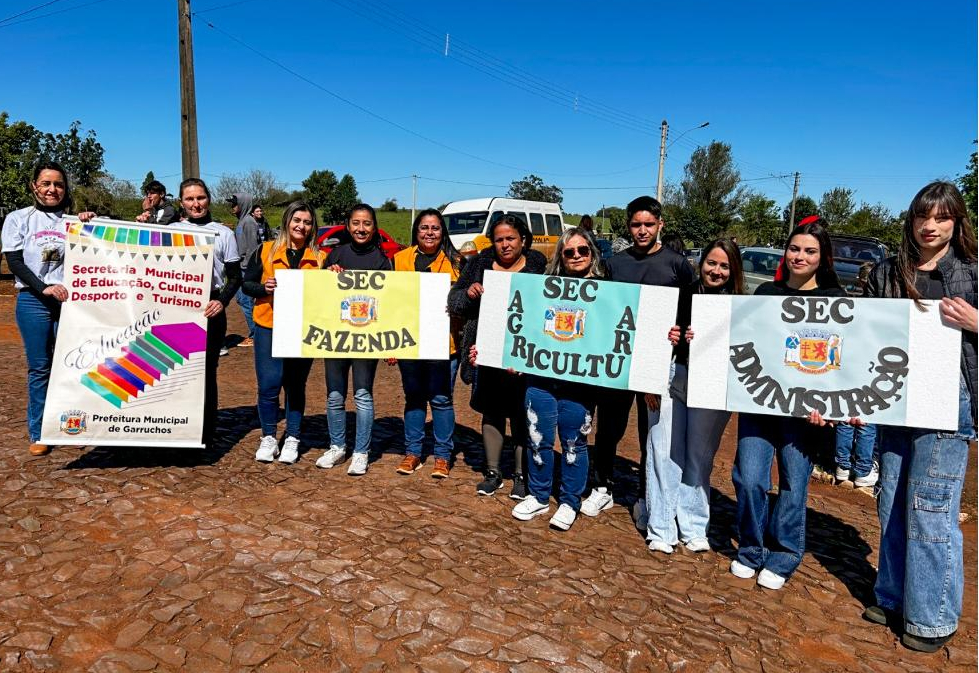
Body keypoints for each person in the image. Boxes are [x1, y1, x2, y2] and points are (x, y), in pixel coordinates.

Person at [860, 182, 977, 653]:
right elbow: (861, 334)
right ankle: (892, 596)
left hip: (949, 400)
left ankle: (932, 616)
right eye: (922, 216)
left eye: (941, 217)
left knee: (931, 506)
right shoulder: (887, 271)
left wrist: (976, 322)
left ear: (956, 222)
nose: (930, 226)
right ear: (910, 220)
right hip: (895, 396)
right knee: (890, 500)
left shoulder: (972, 271)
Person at [730, 217, 845, 589]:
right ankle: (751, 548)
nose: (800, 256)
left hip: (804, 414)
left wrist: (831, 406)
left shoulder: (837, 301)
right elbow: (741, 339)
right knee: (750, 479)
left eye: (810, 251)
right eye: (794, 248)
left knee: (794, 486)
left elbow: (845, 360)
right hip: (760, 404)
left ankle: (784, 554)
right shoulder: (766, 293)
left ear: (822, 257)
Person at [581, 196, 694, 533]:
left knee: (651, 434)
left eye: (648, 224)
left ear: (660, 224)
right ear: (628, 226)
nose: (642, 230)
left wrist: (681, 335)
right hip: (619, 361)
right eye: (636, 224)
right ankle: (603, 487)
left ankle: (646, 497)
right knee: (609, 428)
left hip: (657, 364)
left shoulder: (678, 265)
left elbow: (690, 313)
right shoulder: (615, 264)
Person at [649, 239, 743, 553]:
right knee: (664, 452)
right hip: (673, 375)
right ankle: (661, 527)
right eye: (711, 263)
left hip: (712, 385)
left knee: (699, 457)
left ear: (733, 270)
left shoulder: (740, 306)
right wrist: (672, 336)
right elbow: (655, 333)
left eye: (724, 266)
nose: (716, 271)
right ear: (701, 263)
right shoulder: (680, 293)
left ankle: (693, 525)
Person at [510, 226, 605, 530]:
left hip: (580, 382)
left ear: (592, 253)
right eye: (569, 252)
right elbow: (525, 326)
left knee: (574, 444)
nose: (576, 256)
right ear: (561, 257)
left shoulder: (608, 293)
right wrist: (515, 356)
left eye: (582, 250)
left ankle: (569, 501)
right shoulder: (542, 290)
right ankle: (539, 495)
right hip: (541, 378)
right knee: (537, 437)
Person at [1, 161, 96, 456]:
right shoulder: (18, 219)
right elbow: (15, 261)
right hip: (34, 300)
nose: (52, 189)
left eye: (58, 184)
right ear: (34, 186)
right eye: (46, 183)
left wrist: (91, 224)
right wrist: (43, 287)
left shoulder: (74, 222)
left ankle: (72, 426)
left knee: (72, 365)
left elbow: (96, 253)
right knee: (40, 367)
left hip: (70, 302)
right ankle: (40, 431)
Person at [449, 214, 547, 497]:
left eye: (511, 238)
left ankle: (520, 474)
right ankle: (492, 472)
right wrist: (468, 294)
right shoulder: (478, 265)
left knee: (521, 413)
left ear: (523, 240)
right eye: (499, 239)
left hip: (524, 354)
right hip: (486, 352)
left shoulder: (539, 267)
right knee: (491, 411)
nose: (505, 244)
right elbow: (454, 301)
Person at [241, 201, 323, 464]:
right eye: (297, 220)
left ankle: (293, 437)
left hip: (303, 329)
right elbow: (247, 284)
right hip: (269, 326)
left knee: (295, 385)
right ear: (287, 221)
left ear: (312, 227)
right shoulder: (265, 250)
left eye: (307, 222)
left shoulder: (320, 258)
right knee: (269, 384)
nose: (301, 226)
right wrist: (264, 287)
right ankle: (268, 436)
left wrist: (334, 274)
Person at [316, 203, 391, 476]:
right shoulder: (336, 254)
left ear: (374, 227)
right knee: (334, 396)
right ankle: (337, 446)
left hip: (366, 340)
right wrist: (329, 275)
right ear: (348, 226)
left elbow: (389, 302)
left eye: (367, 223)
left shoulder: (382, 261)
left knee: (363, 395)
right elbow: (320, 295)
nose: (361, 228)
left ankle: (361, 452)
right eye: (356, 223)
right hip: (336, 338)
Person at [392, 209, 463, 479]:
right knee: (414, 398)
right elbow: (389, 301)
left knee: (442, 400)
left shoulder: (457, 262)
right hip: (409, 341)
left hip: (445, 343)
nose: (429, 233)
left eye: (435, 228)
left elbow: (466, 303)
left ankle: (442, 456)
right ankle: (413, 452)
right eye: (424, 227)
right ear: (416, 231)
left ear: (443, 232)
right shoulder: (399, 259)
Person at [178, 178, 242, 446]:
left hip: (211, 307)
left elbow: (235, 277)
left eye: (200, 198)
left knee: (206, 371)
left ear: (209, 199)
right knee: (176, 369)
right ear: (181, 203)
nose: (196, 204)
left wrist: (222, 301)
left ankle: (205, 431)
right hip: (177, 307)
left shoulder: (223, 233)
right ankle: (175, 426)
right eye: (190, 199)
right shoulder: (169, 231)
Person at [229, 193, 264, 347]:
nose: (232, 207)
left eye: (235, 204)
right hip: (241, 266)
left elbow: (253, 249)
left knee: (246, 300)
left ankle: (256, 335)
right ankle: (256, 333)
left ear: (243, 204)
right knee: (240, 299)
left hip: (246, 268)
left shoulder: (248, 222)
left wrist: (249, 270)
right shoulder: (242, 221)